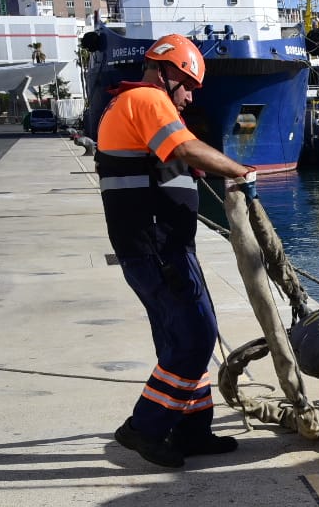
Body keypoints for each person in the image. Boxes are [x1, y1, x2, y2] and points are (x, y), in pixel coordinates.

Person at [96, 33, 259, 468]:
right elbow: (185, 149)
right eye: (187, 85)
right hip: (157, 248)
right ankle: (143, 428)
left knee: (183, 339)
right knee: (194, 337)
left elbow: (178, 157)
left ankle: (192, 430)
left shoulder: (133, 104)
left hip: (159, 247)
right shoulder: (147, 101)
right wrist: (241, 170)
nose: (190, 97)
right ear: (166, 73)